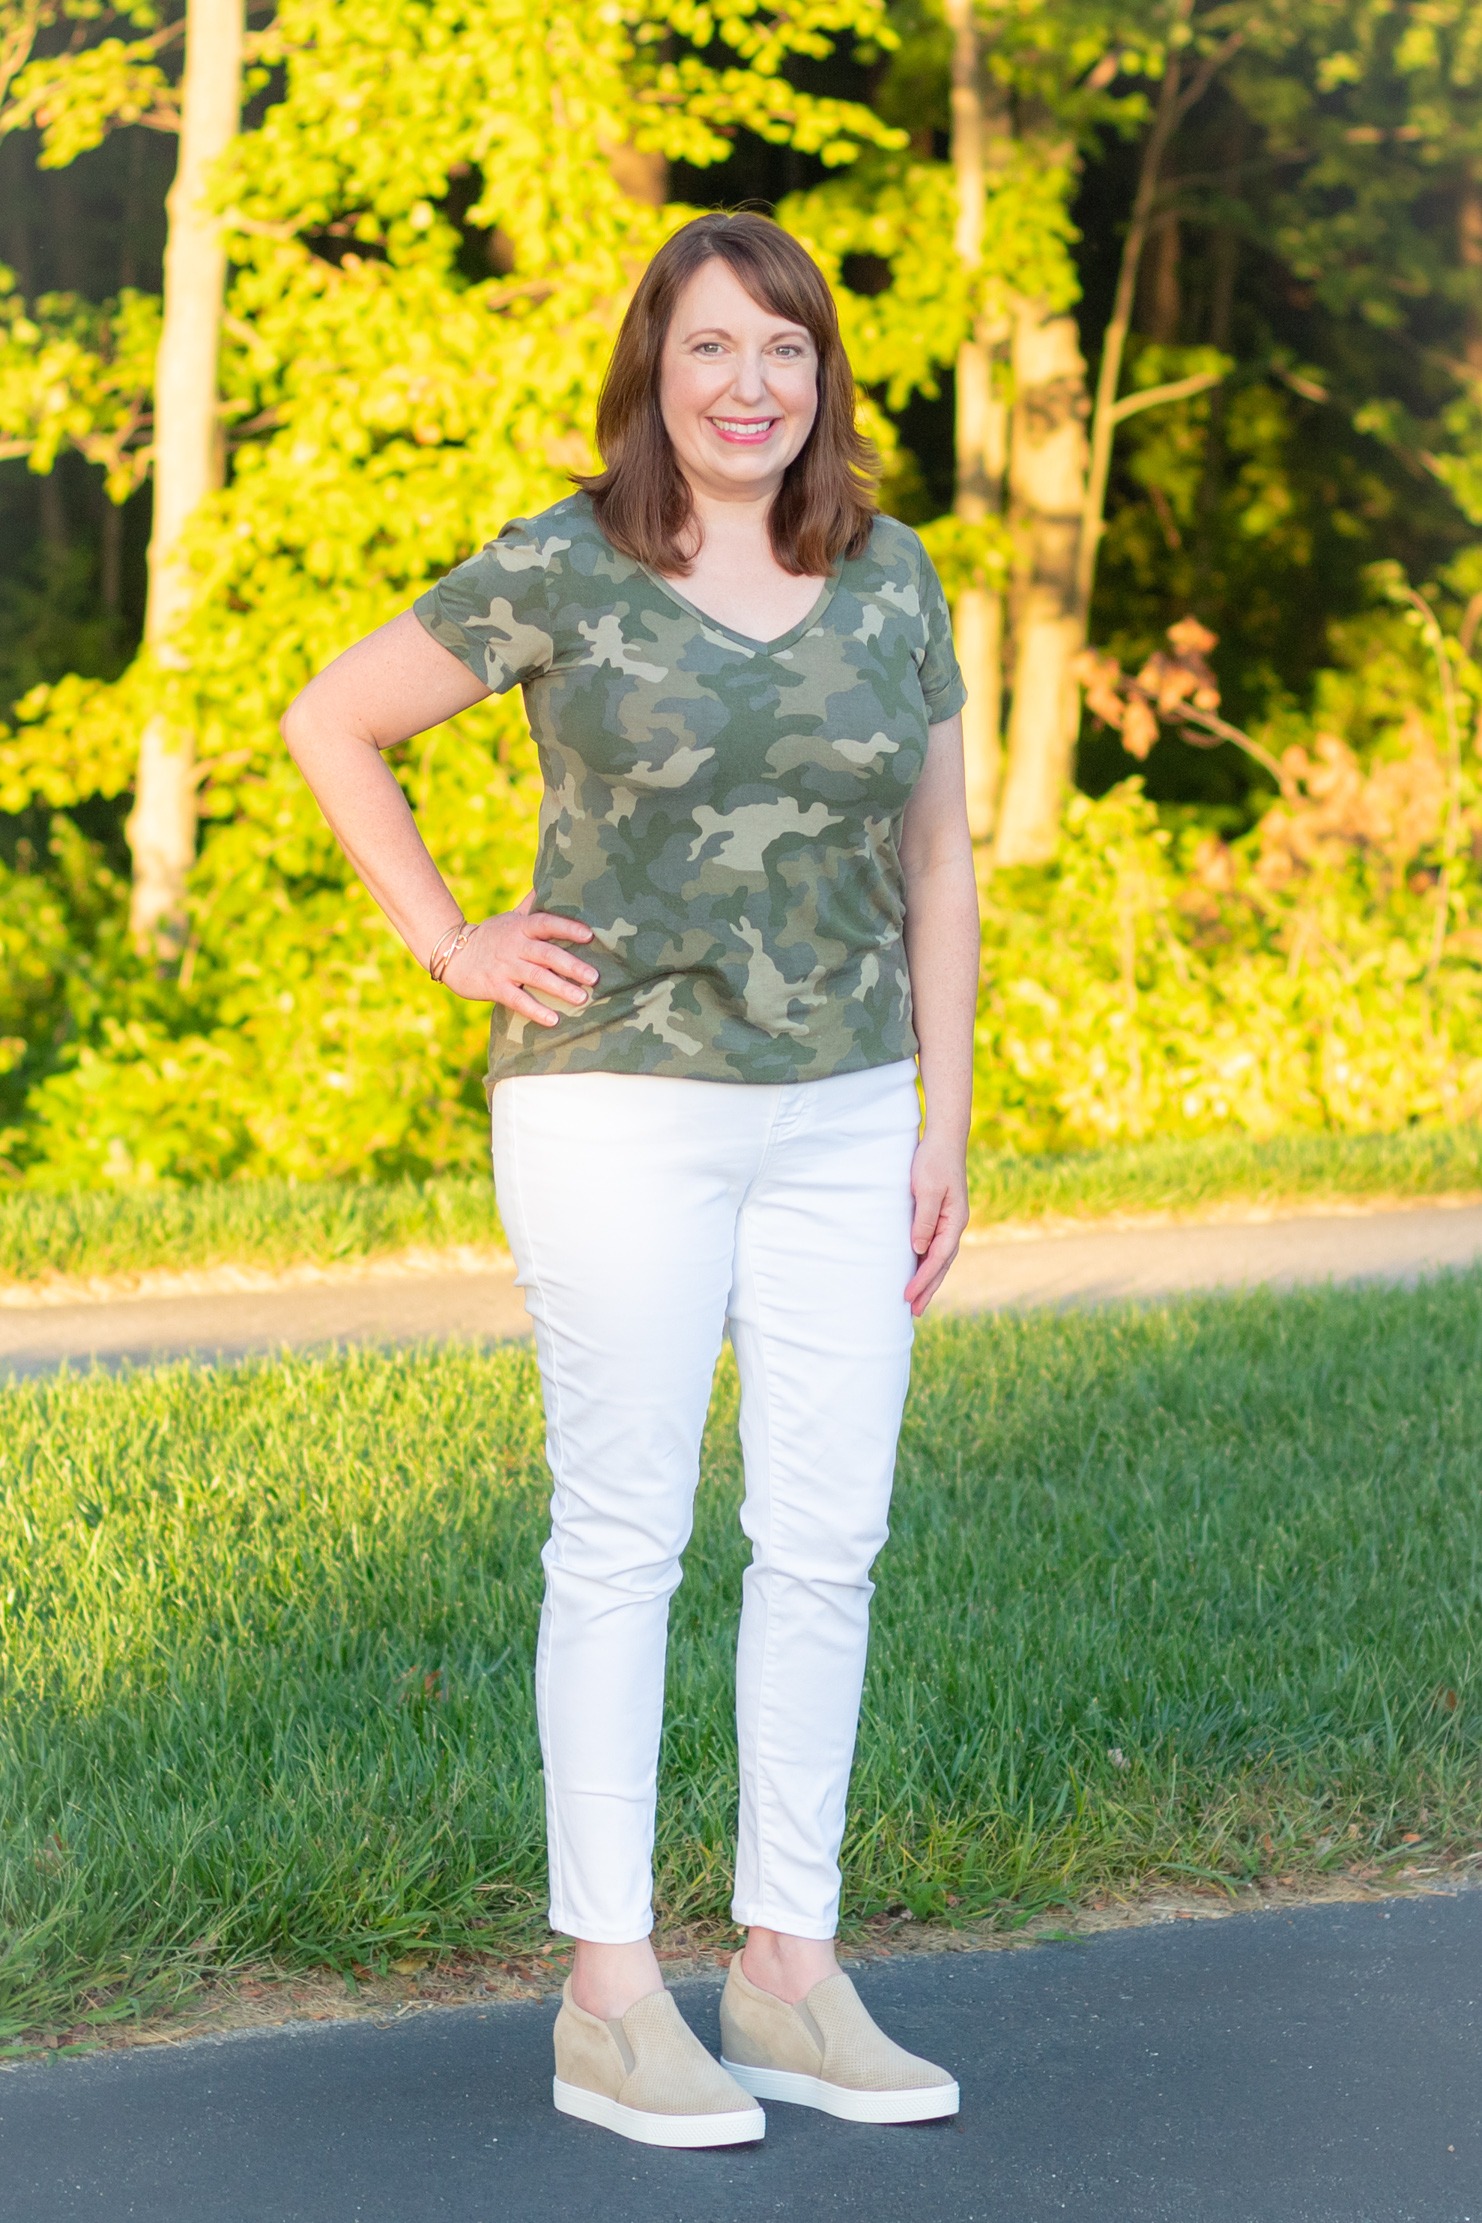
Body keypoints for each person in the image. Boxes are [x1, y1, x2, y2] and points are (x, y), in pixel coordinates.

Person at [282, 209, 979, 2150]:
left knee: (828, 1537)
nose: (750, 384)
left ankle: (786, 1967)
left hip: (845, 1119)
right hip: (617, 1109)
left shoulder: (893, 577)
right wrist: (451, 937)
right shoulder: (565, 567)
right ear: (653, 376)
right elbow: (331, 719)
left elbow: (940, 862)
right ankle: (608, 1993)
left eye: (786, 349)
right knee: (627, 1534)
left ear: (824, 377)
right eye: (711, 350)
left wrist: (944, 1115)